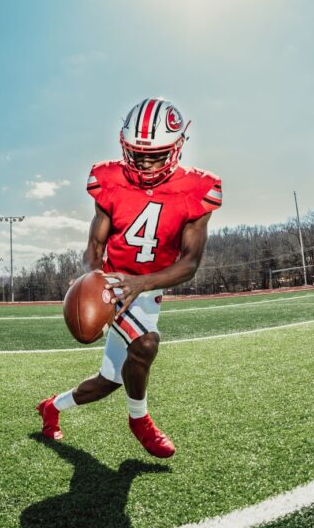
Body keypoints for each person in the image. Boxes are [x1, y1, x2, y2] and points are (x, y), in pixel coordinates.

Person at [37, 97, 222, 458]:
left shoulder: (197, 189)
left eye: (156, 155)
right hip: (115, 283)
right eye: (137, 154)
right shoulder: (110, 180)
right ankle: (140, 420)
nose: (145, 163)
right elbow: (94, 246)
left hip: (149, 289)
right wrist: (97, 282)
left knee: (108, 381)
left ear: (177, 147)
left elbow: (189, 264)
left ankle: (51, 407)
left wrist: (142, 284)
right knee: (146, 344)